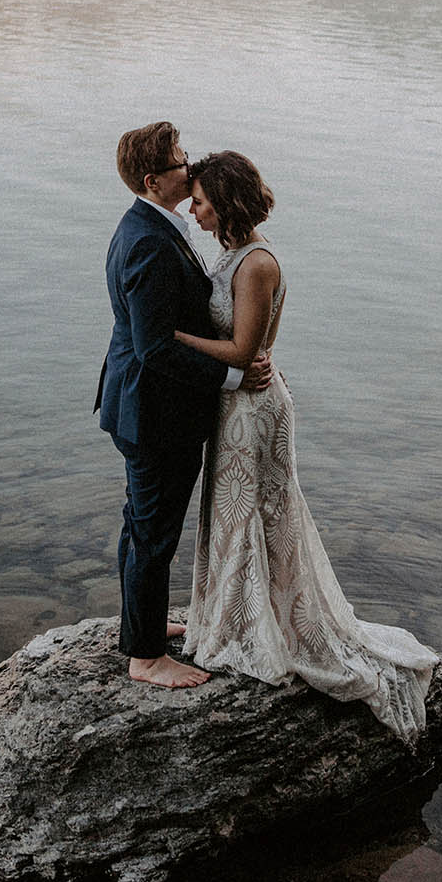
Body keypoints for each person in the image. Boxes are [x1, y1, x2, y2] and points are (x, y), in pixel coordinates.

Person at [174, 151, 438, 742]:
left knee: (259, 514)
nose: (192, 208)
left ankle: (266, 625)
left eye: (200, 199)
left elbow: (245, 352)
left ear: (225, 199)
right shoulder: (232, 255)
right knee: (232, 511)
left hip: (254, 408)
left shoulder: (258, 263)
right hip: (237, 403)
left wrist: (176, 338)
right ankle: (232, 612)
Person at [98, 123, 271, 689]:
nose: (189, 168)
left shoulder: (147, 226)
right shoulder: (149, 239)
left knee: (139, 525)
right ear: (155, 179)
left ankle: (140, 627)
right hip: (155, 414)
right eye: (180, 162)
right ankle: (145, 658)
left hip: (138, 407)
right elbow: (154, 347)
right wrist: (232, 376)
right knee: (152, 532)